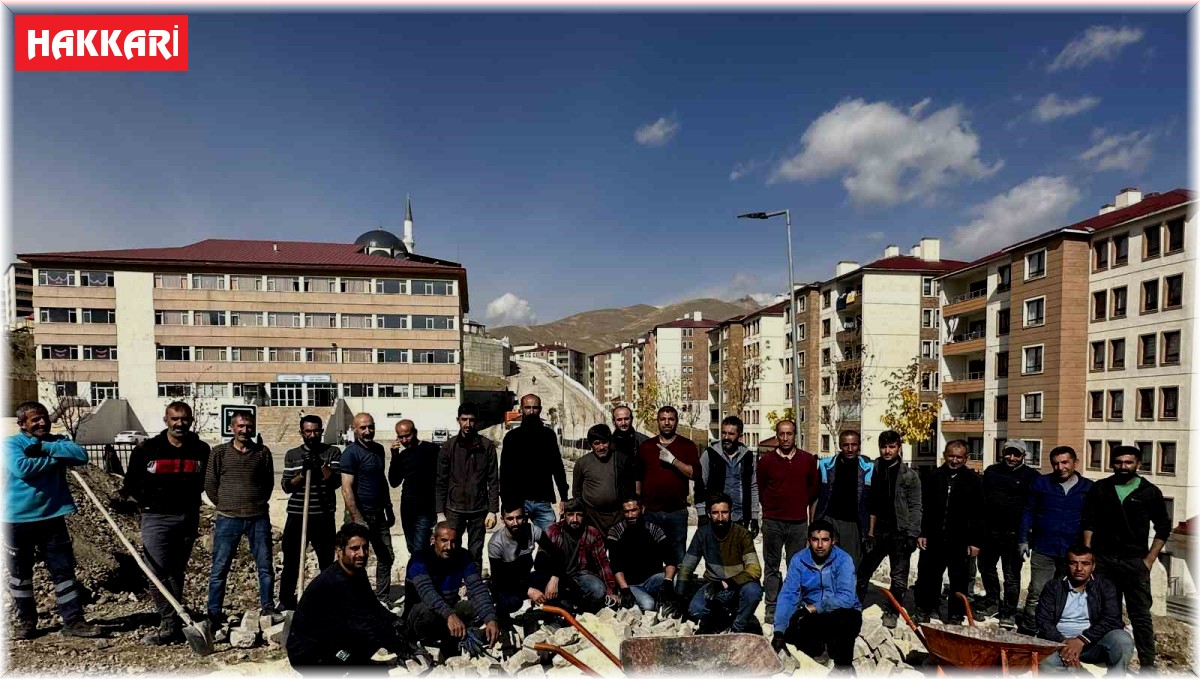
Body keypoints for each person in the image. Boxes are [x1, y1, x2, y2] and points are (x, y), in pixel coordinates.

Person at [4, 401, 102, 639]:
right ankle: (26, 622)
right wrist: (57, 458)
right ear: (22, 424)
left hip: (53, 517)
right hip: (17, 519)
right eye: (35, 419)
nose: (41, 422)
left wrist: (46, 448)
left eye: (44, 417)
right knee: (20, 574)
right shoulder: (11, 444)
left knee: (63, 571)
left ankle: (73, 621)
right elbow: (23, 468)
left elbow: (80, 455)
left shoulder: (56, 441)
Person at [122, 401, 210, 644]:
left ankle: (175, 618)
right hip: (156, 518)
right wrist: (149, 501)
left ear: (190, 421)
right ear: (166, 420)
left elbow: (205, 481)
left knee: (175, 571)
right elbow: (130, 483)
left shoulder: (201, 449)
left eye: (184, 419)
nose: (180, 423)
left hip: (188, 517)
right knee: (155, 571)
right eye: (175, 419)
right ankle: (168, 620)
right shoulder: (148, 449)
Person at [1082, 445, 1173, 670]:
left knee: (1140, 616)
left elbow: (1163, 527)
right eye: (1119, 462)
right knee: (1102, 611)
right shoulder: (1101, 488)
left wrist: (1149, 560)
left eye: (1128, 462)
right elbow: (1088, 522)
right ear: (1112, 463)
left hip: (1134, 562)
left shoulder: (1149, 491)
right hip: (1104, 560)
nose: (1123, 466)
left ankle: (1147, 666)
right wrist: (1089, 555)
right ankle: (1102, 654)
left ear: (1138, 464)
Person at [287, 523, 422, 674]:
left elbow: (373, 606)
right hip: (309, 653)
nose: (362, 554)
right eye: (354, 548)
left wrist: (397, 623)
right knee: (372, 670)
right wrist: (402, 648)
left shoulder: (357, 572)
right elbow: (365, 624)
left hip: (332, 637)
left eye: (365, 547)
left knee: (380, 633)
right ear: (339, 551)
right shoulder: (335, 582)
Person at [205, 410, 278, 624]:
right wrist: (225, 503)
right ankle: (214, 612)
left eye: (248, 426)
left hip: (258, 519)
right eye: (240, 426)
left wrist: (255, 503)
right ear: (232, 428)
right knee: (220, 567)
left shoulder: (262, 452)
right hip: (228, 518)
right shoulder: (218, 453)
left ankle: (267, 607)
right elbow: (210, 483)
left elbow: (268, 483)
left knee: (265, 566)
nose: (245, 430)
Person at [1019, 445, 1093, 634]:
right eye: (1056, 464)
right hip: (1044, 547)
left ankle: (1053, 630)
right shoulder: (1041, 483)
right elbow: (1028, 511)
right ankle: (1029, 629)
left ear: (1075, 462)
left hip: (1073, 551)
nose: (1060, 468)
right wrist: (1023, 539)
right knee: (1037, 590)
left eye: (1065, 462)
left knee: (1064, 592)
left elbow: (1092, 520)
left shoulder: (1088, 487)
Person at [772, 520, 863, 669]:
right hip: (814, 615)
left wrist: (812, 608)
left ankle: (843, 668)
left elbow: (846, 598)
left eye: (825, 540)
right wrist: (778, 631)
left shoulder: (844, 560)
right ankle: (820, 650)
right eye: (815, 540)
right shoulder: (799, 560)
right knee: (792, 631)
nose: (820, 545)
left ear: (833, 541)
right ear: (808, 541)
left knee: (846, 620)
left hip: (840, 612)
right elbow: (788, 595)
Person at [856, 429, 921, 629]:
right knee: (863, 571)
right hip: (876, 531)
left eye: (891, 447)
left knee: (899, 578)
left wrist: (912, 534)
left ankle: (892, 611)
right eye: (884, 447)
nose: (887, 451)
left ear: (898, 448)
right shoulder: (872, 468)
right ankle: (855, 605)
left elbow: (916, 505)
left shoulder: (909, 476)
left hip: (899, 533)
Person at [404, 522, 500, 656]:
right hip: (420, 615)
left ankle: (460, 633)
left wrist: (490, 618)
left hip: (447, 611)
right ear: (433, 540)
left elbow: (477, 588)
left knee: (483, 606)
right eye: (444, 541)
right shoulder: (419, 560)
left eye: (454, 542)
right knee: (428, 611)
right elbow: (427, 592)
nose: (449, 547)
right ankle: (432, 641)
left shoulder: (463, 556)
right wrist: (450, 615)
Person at [1035, 545, 1134, 674]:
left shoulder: (1104, 586)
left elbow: (1112, 619)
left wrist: (1082, 640)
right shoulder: (1053, 586)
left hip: (1092, 644)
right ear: (1066, 565)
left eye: (1085, 564)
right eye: (1073, 563)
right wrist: (1065, 644)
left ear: (1093, 566)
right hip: (1059, 644)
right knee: (1045, 661)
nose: (1079, 569)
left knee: (1123, 640)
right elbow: (1043, 620)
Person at [913, 440, 982, 625]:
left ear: (966, 458)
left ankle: (955, 615)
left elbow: (978, 513)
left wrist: (975, 542)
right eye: (951, 456)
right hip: (934, 537)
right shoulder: (932, 476)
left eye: (959, 457)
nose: (955, 460)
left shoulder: (973, 480)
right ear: (945, 455)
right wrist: (922, 533)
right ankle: (925, 609)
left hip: (959, 540)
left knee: (959, 580)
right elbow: (924, 508)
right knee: (928, 577)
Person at [757, 419, 820, 621]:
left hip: (798, 523)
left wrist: (811, 521)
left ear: (795, 435)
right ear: (777, 436)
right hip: (773, 521)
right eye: (781, 434)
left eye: (789, 434)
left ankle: (793, 604)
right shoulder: (765, 462)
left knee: (797, 566)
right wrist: (769, 512)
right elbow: (761, 490)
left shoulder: (808, 460)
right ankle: (772, 606)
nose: (785, 438)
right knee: (772, 566)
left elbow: (813, 492)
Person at [278, 415, 341, 611]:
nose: (312, 435)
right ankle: (286, 600)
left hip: (323, 514)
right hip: (298, 515)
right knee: (291, 561)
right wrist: (302, 473)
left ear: (321, 431)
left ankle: (328, 600)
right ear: (301, 433)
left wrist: (320, 465)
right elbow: (287, 486)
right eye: (308, 431)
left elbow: (335, 482)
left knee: (326, 561)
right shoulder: (292, 454)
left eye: (316, 431)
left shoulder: (332, 452)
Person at [976, 439, 1041, 627]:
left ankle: (1009, 611)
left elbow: (1034, 508)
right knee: (986, 568)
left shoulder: (1032, 476)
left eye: (1016, 454)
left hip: (1015, 535)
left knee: (1012, 576)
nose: (1011, 458)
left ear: (1023, 456)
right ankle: (992, 601)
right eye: (1008, 453)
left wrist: (1027, 538)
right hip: (990, 532)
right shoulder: (992, 471)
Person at [680, 493, 763, 633]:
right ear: (708, 514)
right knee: (695, 610)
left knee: (753, 591)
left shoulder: (742, 534)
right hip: (713, 586)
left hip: (738, 585)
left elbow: (755, 570)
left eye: (724, 512)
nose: (720, 517)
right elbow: (687, 567)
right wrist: (679, 597)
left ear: (730, 512)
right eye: (715, 513)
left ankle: (737, 628)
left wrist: (727, 583)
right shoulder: (702, 534)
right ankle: (720, 620)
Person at [340, 413, 396, 604]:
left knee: (386, 555)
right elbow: (346, 487)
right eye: (363, 428)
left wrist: (388, 507)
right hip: (359, 514)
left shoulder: (379, 450)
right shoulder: (350, 453)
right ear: (354, 429)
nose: (367, 431)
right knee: (354, 557)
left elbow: (381, 480)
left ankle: (381, 598)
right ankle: (352, 597)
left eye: (370, 427)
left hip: (378, 512)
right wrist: (357, 518)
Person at [435, 403, 500, 569]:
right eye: (464, 419)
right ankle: (451, 586)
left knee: (475, 551)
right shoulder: (449, 447)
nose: (467, 424)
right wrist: (440, 512)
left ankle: (474, 588)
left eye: (471, 420)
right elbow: (441, 480)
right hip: (453, 510)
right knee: (450, 549)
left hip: (479, 510)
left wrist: (492, 510)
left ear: (476, 421)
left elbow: (493, 479)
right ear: (458, 420)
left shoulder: (487, 447)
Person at [636, 406, 700, 571]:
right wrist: (638, 503)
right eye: (663, 419)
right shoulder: (647, 446)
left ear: (676, 421)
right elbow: (638, 477)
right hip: (651, 512)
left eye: (671, 419)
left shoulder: (687, 445)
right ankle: (655, 591)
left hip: (676, 512)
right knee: (651, 555)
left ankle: (678, 592)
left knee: (678, 557)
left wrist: (673, 461)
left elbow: (695, 473)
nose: (667, 423)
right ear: (657, 421)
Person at [500, 394, 568, 530]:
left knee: (551, 541)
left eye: (535, 408)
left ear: (540, 409)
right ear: (521, 409)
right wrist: (506, 503)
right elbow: (504, 472)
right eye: (528, 407)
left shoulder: (548, 436)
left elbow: (557, 467)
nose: (531, 411)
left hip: (542, 501)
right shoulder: (512, 437)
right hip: (518, 502)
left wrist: (564, 497)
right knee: (516, 546)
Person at [487, 502, 562, 623]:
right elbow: (498, 579)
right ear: (502, 520)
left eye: (519, 517)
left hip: (525, 577)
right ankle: (501, 618)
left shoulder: (533, 531)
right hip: (506, 583)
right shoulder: (496, 543)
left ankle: (551, 617)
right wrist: (529, 591)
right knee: (513, 602)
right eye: (510, 519)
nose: (515, 523)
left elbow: (557, 554)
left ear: (525, 517)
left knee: (556, 580)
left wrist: (554, 578)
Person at [544, 498, 619, 613]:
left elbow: (603, 564)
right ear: (564, 515)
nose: (575, 519)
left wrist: (611, 592)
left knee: (599, 590)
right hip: (557, 575)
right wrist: (553, 578)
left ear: (584, 516)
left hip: (580, 575)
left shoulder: (592, 533)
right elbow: (541, 560)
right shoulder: (552, 531)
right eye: (570, 515)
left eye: (579, 515)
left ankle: (579, 606)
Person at [606, 493, 678, 613]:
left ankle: (669, 603)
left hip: (652, 579)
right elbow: (615, 565)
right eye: (626, 512)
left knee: (675, 580)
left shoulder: (654, 529)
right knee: (648, 605)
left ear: (642, 509)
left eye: (634, 510)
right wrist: (625, 590)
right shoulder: (615, 532)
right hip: (631, 584)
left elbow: (670, 559)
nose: (630, 515)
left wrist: (667, 581)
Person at [814, 430, 872, 569]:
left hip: (852, 524)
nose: (850, 449)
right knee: (825, 564)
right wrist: (814, 524)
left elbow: (872, 503)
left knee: (849, 565)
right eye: (846, 445)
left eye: (854, 444)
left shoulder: (867, 468)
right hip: (828, 519)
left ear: (859, 446)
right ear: (840, 445)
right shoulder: (826, 465)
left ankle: (847, 591)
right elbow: (816, 497)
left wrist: (869, 532)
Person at [695, 416, 759, 537]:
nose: (726, 437)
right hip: (716, 518)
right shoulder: (709, 455)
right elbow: (700, 485)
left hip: (740, 518)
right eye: (723, 433)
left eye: (731, 434)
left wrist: (754, 517)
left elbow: (753, 487)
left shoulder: (748, 457)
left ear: (740, 436)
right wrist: (702, 514)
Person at [388, 419, 440, 558]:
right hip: (407, 509)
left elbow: (442, 478)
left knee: (419, 549)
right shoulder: (402, 455)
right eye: (400, 437)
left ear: (415, 433)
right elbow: (394, 481)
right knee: (412, 547)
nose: (404, 440)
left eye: (407, 435)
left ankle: (421, 578)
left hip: (426, 510)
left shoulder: (431, 450)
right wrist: (394, 456)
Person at [573, 424, 634, 535]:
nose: (601, 447)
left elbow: (630, 487)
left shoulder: (621, 459)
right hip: (593, 517)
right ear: (591, 445)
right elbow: (577, 492)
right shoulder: (582, 463)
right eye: (597, 443)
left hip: (618, 516)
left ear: (609, 442)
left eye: (604, 442)